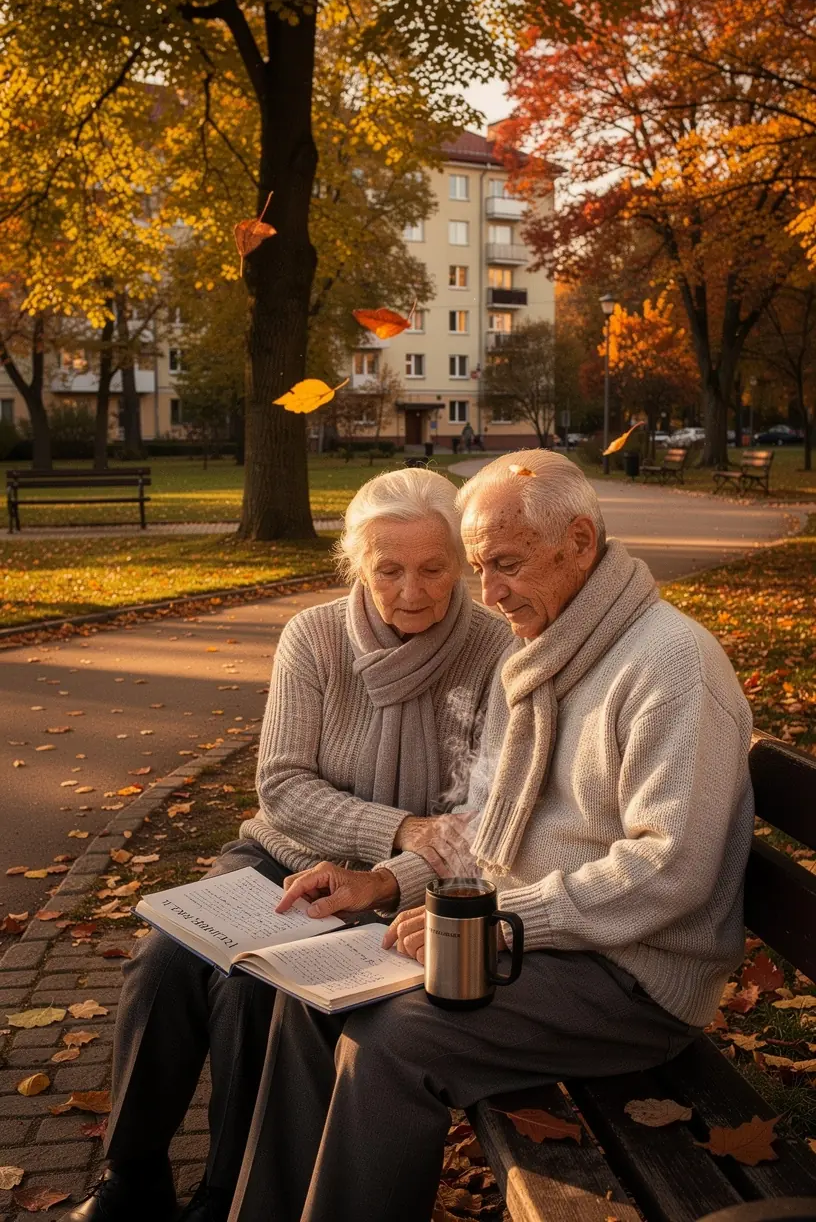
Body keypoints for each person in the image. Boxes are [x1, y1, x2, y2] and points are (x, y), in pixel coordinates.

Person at [230, 449, 755, 1222]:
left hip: (632, 979)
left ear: (578, 542)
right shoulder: (545, 651)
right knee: (308, 997)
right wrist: (387, 881)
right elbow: (494, 825)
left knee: (389, 1039)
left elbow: (669, 867)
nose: (489, 593)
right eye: (479, 568)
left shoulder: (670, 665)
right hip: (538, 944)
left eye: (505, 564)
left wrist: (504, 927)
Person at [61, 468, 510, 1222]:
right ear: (357, 566)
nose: (412, 590)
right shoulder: (315, 636)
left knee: (252, 989)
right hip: (279, 855)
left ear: (461, 564)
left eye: (434, 568)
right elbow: (284, 786)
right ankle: (132, 1176)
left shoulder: (495, 651)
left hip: (393, 886)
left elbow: (482, 819)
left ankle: (228, 1195)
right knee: (164, 957)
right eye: (389, 569)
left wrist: (390, 868)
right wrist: (397, 825)